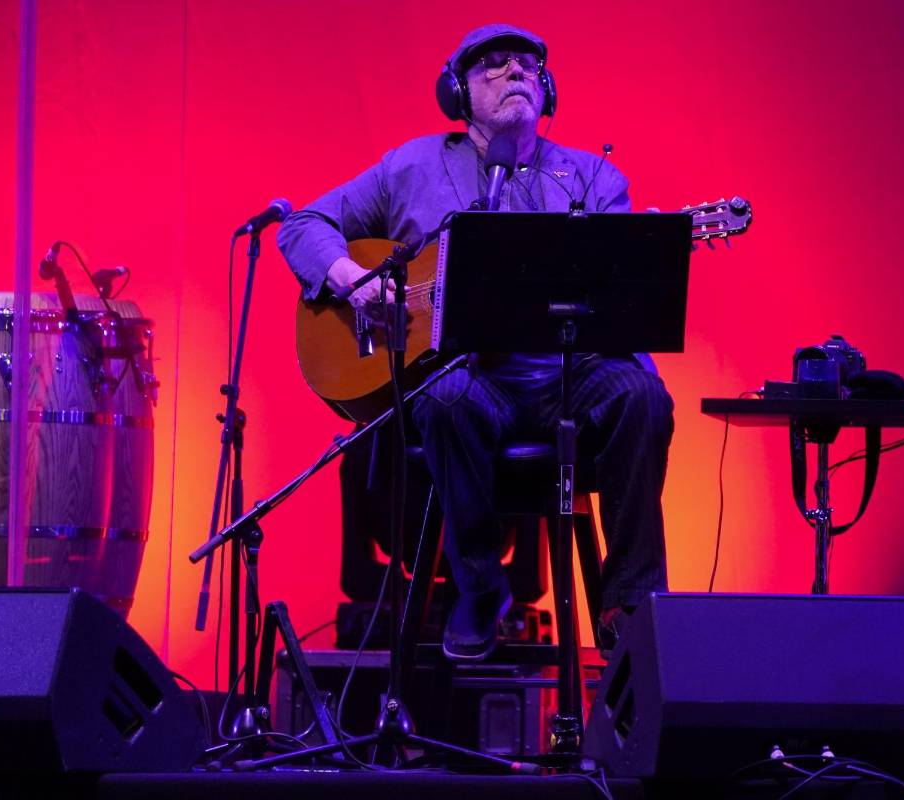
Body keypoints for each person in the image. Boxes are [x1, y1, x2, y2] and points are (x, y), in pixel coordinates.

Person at [278, 23, 673, 661]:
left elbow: (619, 302)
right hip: (471, 377)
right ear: (456, 92)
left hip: (567, 378)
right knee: (443, 398)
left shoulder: (593, 177)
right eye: (494, 62)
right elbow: (303, 224)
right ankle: (481, 587)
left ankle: (629, 601)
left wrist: (635, 260)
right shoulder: (410, 167)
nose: (515, 71)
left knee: (642, 395)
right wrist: (353, 279)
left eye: (528, 64)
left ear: (547, 88)